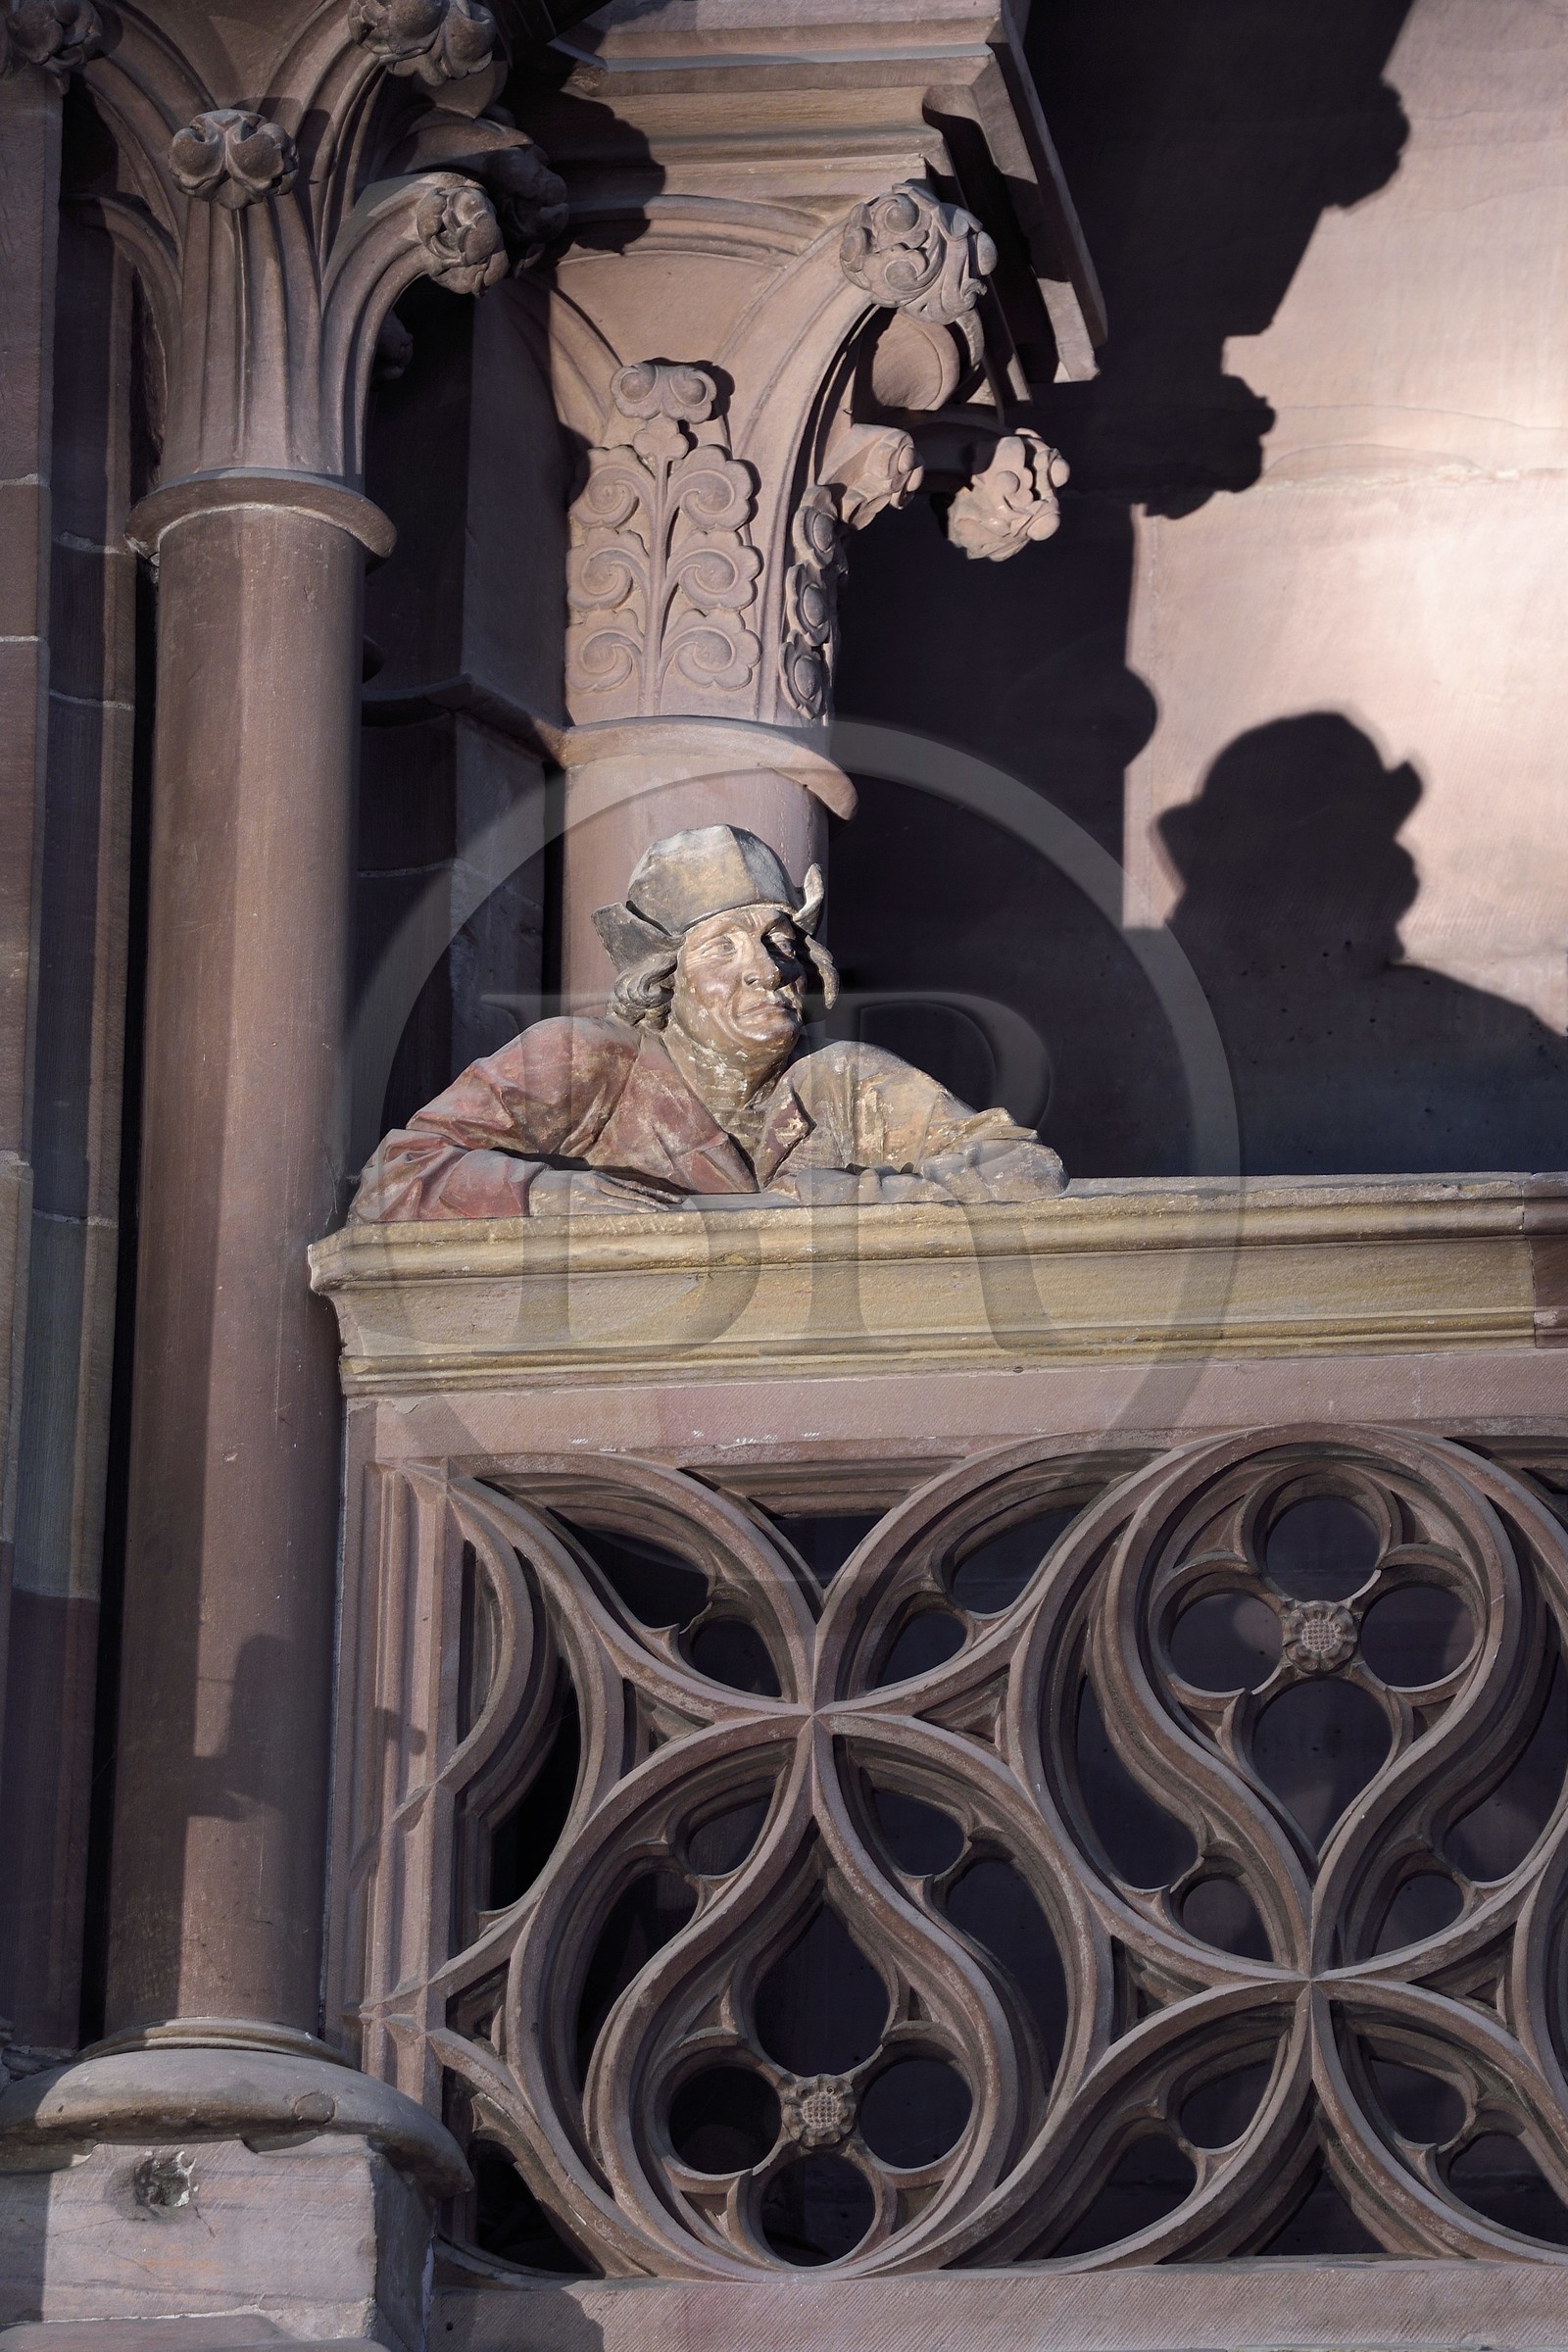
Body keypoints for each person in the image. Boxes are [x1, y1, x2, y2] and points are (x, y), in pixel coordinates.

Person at [350, 824, 1067, 1219]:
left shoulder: (844, 1079)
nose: (769, 969)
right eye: (722, 946)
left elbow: (1025, 1167)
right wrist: (552, 1196)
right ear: (667, 977)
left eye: (782, 941)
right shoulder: (587, 1058)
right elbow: (397, 1176)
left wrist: (847, 1198)